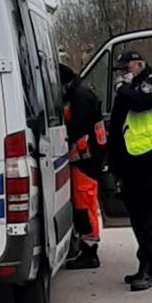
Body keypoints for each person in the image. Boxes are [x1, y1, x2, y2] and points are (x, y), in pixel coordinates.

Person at [106, 49, 152, 292]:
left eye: (126, 68)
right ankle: (149, 267)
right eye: (121, 71)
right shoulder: (128, 90)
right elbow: (117, 126)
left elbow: (142, 104)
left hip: (151, 160)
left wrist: (122, 89)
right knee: (136, 215)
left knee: (148, 215)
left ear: (138, 64)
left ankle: (148, 265)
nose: (123, 74)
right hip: (131, 162)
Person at [59, 62, 105, 269]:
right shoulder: (81, 94)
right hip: (86, 160)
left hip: (85, 161)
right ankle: (86, 246)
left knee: (85, 206)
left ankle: (90, 252)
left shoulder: (80, 98)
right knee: (83, 205)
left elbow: (80, 131)